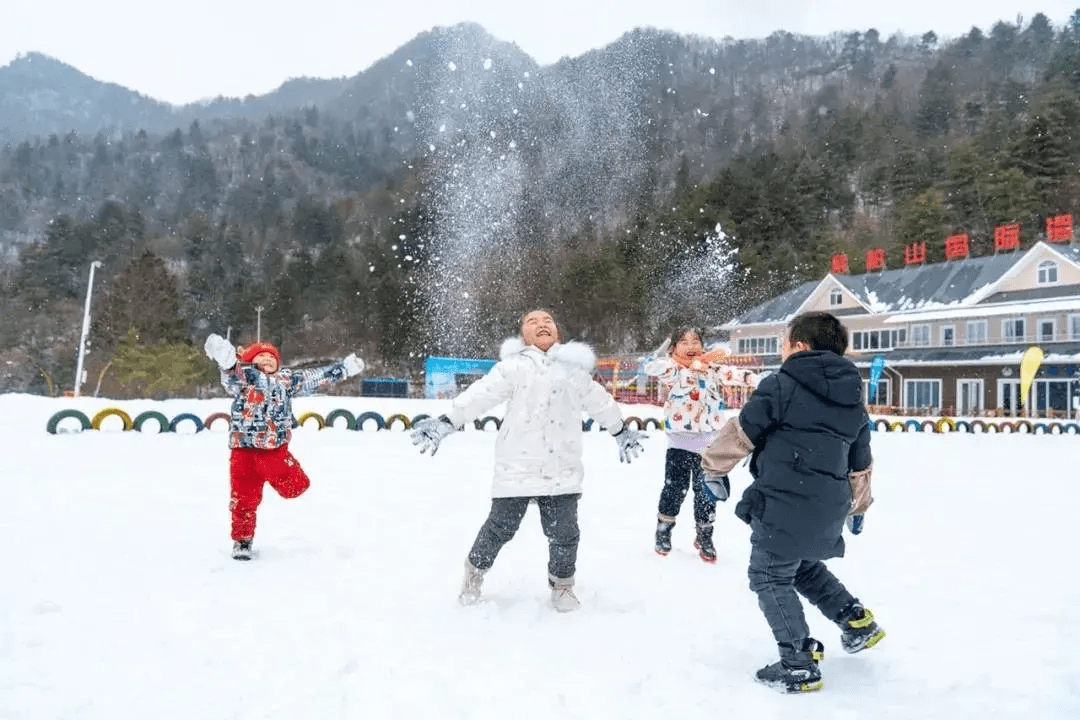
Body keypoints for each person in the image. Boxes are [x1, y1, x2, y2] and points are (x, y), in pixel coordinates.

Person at [410, 309, 645, 612]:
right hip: (516, 465)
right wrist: (448, 421)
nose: (541, 324)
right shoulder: (514, 367)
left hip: (562, 467)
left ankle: (562, 585)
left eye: (548, 320)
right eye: (532, 322)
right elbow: (481, 394)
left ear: (557, 332)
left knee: (565, 533)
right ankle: (474, 572)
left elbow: (600, 402)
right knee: (500, 528)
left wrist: (620, 430)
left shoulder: (574, 371)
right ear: (524, 336)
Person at [700, 311, 883, 694]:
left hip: (786, 498)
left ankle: (798, 662)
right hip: (829, 503)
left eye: (784, 342)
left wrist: (712, 470)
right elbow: (860, 460)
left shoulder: (781, 385)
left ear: (799, 346)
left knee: (768, 574)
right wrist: (860, 505)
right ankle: (855, 620)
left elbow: (743, 431)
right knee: (799, 567)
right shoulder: (853, 399)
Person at [203, 334, 365, 560]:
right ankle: (242, 541)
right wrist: (227, 360)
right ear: (250, 361)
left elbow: (313, 378)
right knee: (243, 499)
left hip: (273, 450)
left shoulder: (286, 381)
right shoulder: (246, 377)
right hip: (243, 450)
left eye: (272, 358)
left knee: (297, 486)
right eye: (261, 357)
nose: (268, 360)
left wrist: (342, 369)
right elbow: (232, 375)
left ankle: (277, 479)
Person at [644, 328, 755, 562]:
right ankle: (663, 531)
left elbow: (733, 374)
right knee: (674, 489)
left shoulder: (713, 370)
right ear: (674, 348)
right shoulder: (674, 369)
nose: (691, 345)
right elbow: (652, 368)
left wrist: (751, 378)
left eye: (696, 341)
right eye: (683, 341)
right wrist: (676, 363)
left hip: (710, 446)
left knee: (705, 494)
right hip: (680, 443)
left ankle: (704, 535)